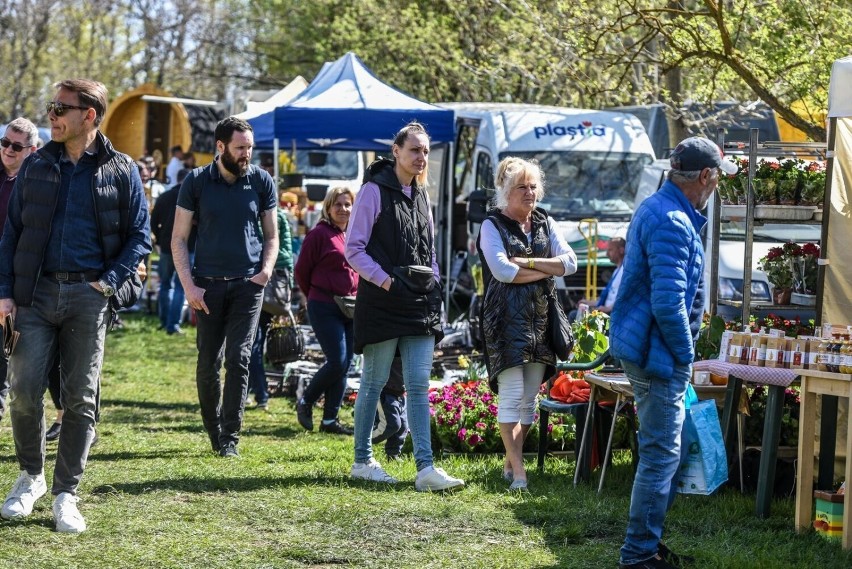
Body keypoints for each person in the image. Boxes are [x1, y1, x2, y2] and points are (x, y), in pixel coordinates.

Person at [0, 79, 151, 533]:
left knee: (81, 399)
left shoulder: (121, 169)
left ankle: (67, 492)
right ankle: (31, 477)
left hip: (90, 297)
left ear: (89, 115)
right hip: (35, 295)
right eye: (51, 105)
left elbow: (140, 236)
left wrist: (109, 283)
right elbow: (11, 234)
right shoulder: (35, 165)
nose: (51, 114)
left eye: (60, 107)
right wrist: (5, 292)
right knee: (24, 392)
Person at [611, 136, 736, 569]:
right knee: (662, 453)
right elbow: (667, 303)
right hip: (658, 352)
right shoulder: (673, 222)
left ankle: (646, 542)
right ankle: (638, 553)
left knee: (670, 448)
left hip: (649, 345)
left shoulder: (658, 207)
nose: (717, 185)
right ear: (704, 176)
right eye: (718, 177)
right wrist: (686, 355)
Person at [345, 122, 464, 491]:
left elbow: (429, 250)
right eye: (414, 150)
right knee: (373, 382)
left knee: (418, 385)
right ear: (395, 151)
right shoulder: (372, 191)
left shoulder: (422, 194)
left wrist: (436, 281)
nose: (421, 157)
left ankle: (425, 469)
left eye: (425, 151)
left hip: (419, 304)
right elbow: (354, 249)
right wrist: (387, 281)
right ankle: (362, 461)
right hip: (382, 303)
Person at [172, 116, 278, 458]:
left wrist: (265, 271)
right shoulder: (197, 181)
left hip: (248, 286)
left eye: (249, 147)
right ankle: (214, 429)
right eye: (240, 147)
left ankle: (230, 438)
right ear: (221, 147)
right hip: (207, 287)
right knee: (208, 363)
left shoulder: (261, 181)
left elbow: (272, 235)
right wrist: (189, 287)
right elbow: (178, 238)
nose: (247, 153)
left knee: (239, 358)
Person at [477, 157, 577, 491]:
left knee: (529, 399)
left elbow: (571, 263)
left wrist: (530, 262)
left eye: (533, 186)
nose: (529, 192)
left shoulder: (546, 222)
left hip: (542, 322)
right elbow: (503, 271)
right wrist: (547, 270)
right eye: (522, 186)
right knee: (512, 394)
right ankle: (520, 472)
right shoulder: (492, 224)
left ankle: (510, 461)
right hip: (504, 321)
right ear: (505, 191)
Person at [294, 187, 358, 433]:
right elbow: (301, 271)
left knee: (345, 364)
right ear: (328, 208)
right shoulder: (319, 234)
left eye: (347, 204)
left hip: (351, 307)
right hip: (324, 305)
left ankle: (330, 420)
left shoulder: (353, 234)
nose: (343, 209)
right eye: (338, 205)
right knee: (337, 361)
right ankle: (306, 400)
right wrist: (314, 294)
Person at [0, 118, 38, 424]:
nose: (8, 150)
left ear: (31, 149)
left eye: (16, 145)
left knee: (23, 354)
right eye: (4, 143)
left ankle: (70, 416)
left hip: (21, 276)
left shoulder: (37, 181)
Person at [247, 188, 294, 410]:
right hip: (268, 285)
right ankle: (249, 391)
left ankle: (261, 395)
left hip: (263, 284)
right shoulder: (280, 216)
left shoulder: (271, 217)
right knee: (253, 342)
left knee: (253, 344)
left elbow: (280, 252)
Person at [151, 168, 193, 335]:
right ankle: (172, 324)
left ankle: (165, 321)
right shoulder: (193, 198)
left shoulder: (165, 196)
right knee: (180, 287)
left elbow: (154, 222)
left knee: (166, 284)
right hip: (187, 247)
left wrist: (160, 240)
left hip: (167, 247)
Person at [575, 236, 625, 316]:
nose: (607, 254)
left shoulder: (625, 271)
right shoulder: (617, 271)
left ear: (621, 250)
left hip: (611, 314)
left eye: (610, 250)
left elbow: (624, 296)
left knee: (574, 315)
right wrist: (588, 302)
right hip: (605, 311)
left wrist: (608, 309)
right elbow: (608, 298)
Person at [371, 357, 407, 461]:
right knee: (392, 425)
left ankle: (393, 454)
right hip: (386, 392)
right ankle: (365, 440)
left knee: (403, 427)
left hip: (401, 393)